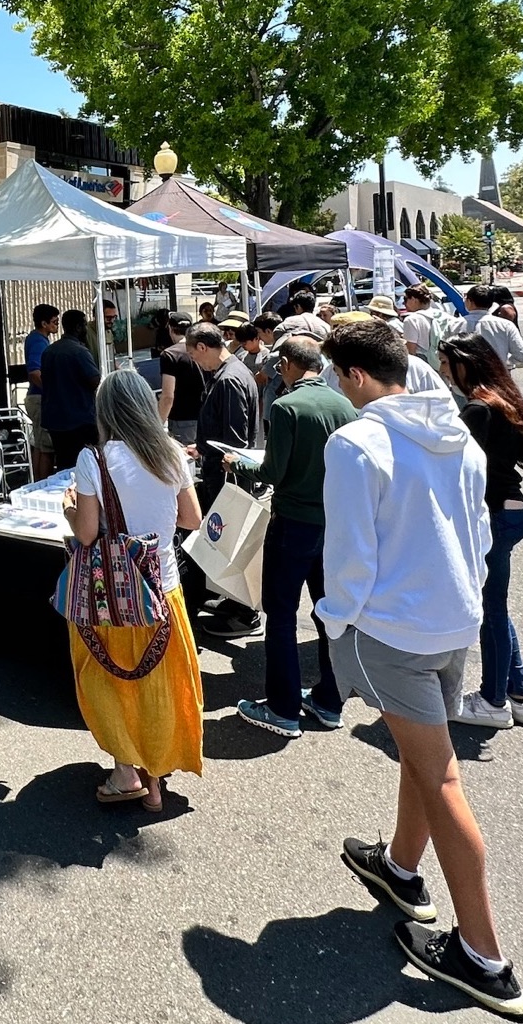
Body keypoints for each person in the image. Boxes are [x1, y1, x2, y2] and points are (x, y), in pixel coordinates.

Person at [318, 321, 523, 1020]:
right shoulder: (455, 432)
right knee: (421, 755)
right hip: (450, 618)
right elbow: (475, 532)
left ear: (351, 375)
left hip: (389, 628)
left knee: (439, 776)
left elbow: (348, 553)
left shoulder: (354, 443)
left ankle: (483, 957)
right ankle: (400, 869)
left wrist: (332, 619)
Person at [62, 370, 204, 813]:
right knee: (159, 687)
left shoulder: (95, 459)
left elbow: (86, 534)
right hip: (164, 589)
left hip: (112, 597)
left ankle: (126, 772)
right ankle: (156, 774)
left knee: (111, 682)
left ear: (105, 410)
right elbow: (191, 520)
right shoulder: (172, 454)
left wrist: (69, 507)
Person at [231, 336, 358, 737]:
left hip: (292, 522)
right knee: (329, 614)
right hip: (333, 523)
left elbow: (272, 473)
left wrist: (238, 463)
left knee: (281, 614)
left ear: (286, 363)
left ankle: (283, 707)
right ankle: (329, 699)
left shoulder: (286, 406)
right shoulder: (346, 406)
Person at [438, 335, 523, 730]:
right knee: (496, 607)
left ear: (466, 363)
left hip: (494, 515)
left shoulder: (478, 409)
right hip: (511, 512)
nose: (443, 372)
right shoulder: (500, 399)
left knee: (490, 611)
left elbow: (452, 464)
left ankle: (494, 701)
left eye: (448, 364)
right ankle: (519, 696)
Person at [184, 322, 263, 636]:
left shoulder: (230, 378)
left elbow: (234, 441)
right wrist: (201, 448)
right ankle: (233, 602)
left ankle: (244, 614)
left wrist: (214, 455)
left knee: (233, 544)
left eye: (193, 354)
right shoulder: (232, 372)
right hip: (226, 473)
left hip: (231, 478)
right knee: (228, 545)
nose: (195, 361)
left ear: (203, 347)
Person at [41, 309, 103, 469]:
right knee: (86, 464)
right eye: (84, 325)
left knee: (63, 463)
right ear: (77, 327)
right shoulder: (79, 351)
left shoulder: (49, 351)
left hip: (55, 420)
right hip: (79, 420)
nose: (86, 329)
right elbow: (94, 380)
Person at [156, 311, 205, 445]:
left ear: (170, 329)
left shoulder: (170, 355)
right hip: (206, 416)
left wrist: (158, 424)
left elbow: (167, 396)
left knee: (187, 462)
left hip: (181, 419)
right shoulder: (203, 348)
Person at [24, 305, 61, 479]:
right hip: (39, 398)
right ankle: (44, 483)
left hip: (35, 397)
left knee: (39, 445)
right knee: (47, 447)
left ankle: (38, 482)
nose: (57, 325)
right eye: (54, 322)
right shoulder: (39, 341)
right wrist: (50, 393)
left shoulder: (36, 338)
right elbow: (34, 372)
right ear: (44, 323)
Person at [461, 286, 523, 372]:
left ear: (469, 301)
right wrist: (504, 363)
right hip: (498, 375)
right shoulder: (506, 325)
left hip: (465, 376)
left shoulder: (454, 324)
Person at [401, 285, 451, 371]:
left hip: (424, 366)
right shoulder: (444, 316)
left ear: (413, 299)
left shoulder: (411, 320)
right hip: (445, 364)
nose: (404, 304)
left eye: (405, 299)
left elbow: (411, 352)